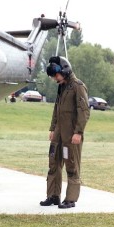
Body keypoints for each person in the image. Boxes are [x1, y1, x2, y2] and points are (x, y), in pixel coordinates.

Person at [40, 56, 90, 209]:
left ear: (65, 71)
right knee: (53, 164)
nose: (55, 78)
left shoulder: (77, 86)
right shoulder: (61, 87)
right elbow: (57, 109)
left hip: (71, 136)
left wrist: (78, 132)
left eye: (56, 75)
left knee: (71, 166)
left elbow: (84, 111)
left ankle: (70, 199)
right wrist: (52, 128)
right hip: (58, 134)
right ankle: (53, 196)